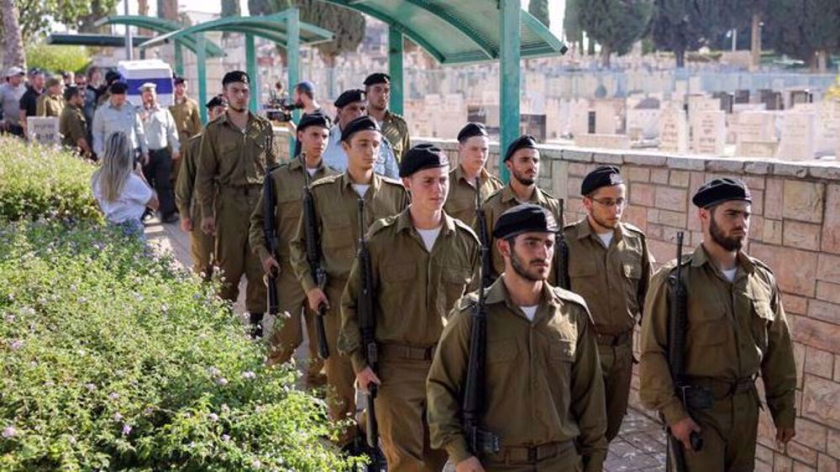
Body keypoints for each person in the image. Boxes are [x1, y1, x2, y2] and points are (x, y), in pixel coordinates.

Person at [427, 203, 608, 472]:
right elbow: (441, 388)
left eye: (548, 243)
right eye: (531, 243)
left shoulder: (572, 313)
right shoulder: (473, 315)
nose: (543, 253)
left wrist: (593, 462)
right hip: (497, 462)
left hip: (561, 462)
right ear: (504, 248)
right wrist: (461, 454)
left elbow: (589, 397)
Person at [639, 178, 797, 471]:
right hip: (699, 413)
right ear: (704, 216)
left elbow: (779, 352)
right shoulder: (675, 280)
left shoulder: (761, 279)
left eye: (746, 215)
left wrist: (784, 411)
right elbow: (652, 353)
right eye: (732, 214)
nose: (741, 223)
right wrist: (675, 416)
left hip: (745, 410)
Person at [340, 143, 478, 471]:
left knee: (435, 459)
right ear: (406, 183)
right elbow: (352, 304)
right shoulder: (381, 240)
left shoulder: (466, 242)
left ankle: (365, 425)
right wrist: (360, 364)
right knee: (404, 463)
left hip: (447, 369)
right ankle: (367, 427)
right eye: (427, 181)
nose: (438, 188)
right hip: (394, 369)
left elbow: (475, 314)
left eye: (443, 180)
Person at [289, 115, 407, 450]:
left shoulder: (397, 196)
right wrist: (311, 287)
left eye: (376, 144)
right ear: (345, 148)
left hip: (384, 300)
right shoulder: (321, 194)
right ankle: (343, 446)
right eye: (363, 144)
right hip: (337, 297)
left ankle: (370, 434)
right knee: (339, 379)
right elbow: (299, 245)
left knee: (385, 377)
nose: (371, 151)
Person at [563, 166, 653, 442]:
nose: (615, 209)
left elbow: (647, 300)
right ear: (587, 203)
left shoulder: (635, 242)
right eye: (607, 202)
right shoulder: (566, 243)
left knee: (610, 430)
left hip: (622, 353)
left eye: (620, 201)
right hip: (584, 351)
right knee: (580, 431)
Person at [249, 112, 337, 386]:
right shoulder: (278, 179)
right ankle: (271, 394)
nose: (319, 141)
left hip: (323, 272)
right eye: (314, 135)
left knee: (322, 343)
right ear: (300, 136)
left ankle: (316, 399)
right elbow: (257, 224)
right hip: (287, 271)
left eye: (324, 136)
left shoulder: (336, 180)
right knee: (284, 340)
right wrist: (265, 257)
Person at [195, 70, 278, 338]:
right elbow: (205, 174)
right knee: (228, 266)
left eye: (244, 90)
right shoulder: (214, 130)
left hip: (258, 202)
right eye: (235, 91)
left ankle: (255, 330)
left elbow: (273, 168)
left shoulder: (263, 127)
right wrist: (207, 213)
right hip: (228, 204)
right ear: (225, 94)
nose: (240, 96)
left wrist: (276, 208)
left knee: (257, 267)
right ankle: (221, 327)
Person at [481, 135, 562, 281]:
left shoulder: (552, 207)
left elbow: (561, 258)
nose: (531, 166)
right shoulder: (491, 208)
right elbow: (479, 260)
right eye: (524, 160)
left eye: (535, 160)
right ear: (509, 165)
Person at [175, 95, 227, 280]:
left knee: (228, 264)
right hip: (202, 211)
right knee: (203, 262)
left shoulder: (239, 145)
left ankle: (224, 305)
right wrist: (184, 214)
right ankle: (203, 303)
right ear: (210, 114)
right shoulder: (196, 145)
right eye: (219, 111)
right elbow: (184, 183)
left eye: (227, 112)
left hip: (230, 211)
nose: (223, 116)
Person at [91, 131, 159, 241]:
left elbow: (99, 205)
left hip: (109, 229)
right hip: (133, 231)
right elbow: (155, 204)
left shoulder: (96, 177)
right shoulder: (132, 181)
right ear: (128, 153)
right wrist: (141, 176)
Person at [322, 89, 399, 179]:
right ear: (339, 112)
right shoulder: (324, 142)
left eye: (362, 109)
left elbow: (394, 181)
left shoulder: (379, 143)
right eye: (353, 109)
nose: (359, 114)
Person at [443, 122, 503, 227]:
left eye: (484, 150)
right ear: (460, 149)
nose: (480, 155)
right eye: (474, 149)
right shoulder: (445, 184)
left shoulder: (496, 187)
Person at [138, 82, 180, 223]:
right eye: (146, 94)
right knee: (145, 184)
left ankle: (167, 213)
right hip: (145, 154)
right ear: (142, 97)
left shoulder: (164, 112)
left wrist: (175, 148)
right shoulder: (137, 113)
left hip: (161, 152)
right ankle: (146, 212)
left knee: (164, 184)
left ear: (156, 95)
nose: (149, 97)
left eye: (151, 94)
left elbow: (172, 132)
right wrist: (142, 119)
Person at [92, 82, 148, 167]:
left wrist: (145, 151)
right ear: (112, 95)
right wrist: (100, 154)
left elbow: (139, 130)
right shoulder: (101, 112)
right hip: (112, 153)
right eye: (119, 99)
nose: (121, 101)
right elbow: (97, 134)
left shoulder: (131, 108)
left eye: (123, 98)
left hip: (131, 152)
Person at [364, 73, 410, 161]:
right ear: (367, 94)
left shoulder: (399, 125)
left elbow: (406, 160)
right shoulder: (358, 123)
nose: (383, 95)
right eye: (377, 90)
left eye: (386, 90)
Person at [169, 76, 202, 183]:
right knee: (171, 171)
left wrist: (197, 142)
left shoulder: (192, 104)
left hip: (186, 140)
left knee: (183, 171)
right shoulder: (169, 103)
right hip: (170, 141)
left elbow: (197, 124)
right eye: (178, 86)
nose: (181, 88)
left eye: (184, 86)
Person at [59, 86, 92, 157]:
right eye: (82, 96)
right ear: (74, 97)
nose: (85, 99)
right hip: (73, 152)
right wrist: (89, 151)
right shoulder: (72, 114)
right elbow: (79, 138)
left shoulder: (75, 111)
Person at [0, 66, 27, 137]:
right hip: (8, 125)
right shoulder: (2, 89)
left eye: (21, 76)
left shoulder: (23, 89)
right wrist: (1, 119)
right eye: (17, 76)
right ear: (10, 77)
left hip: (22, 124)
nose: (20, 78)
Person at [19, 68, 45, 135]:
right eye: (39, 79)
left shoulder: (46, 93)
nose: (42, 81)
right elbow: (22, 114)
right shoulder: (27, 95)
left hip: (46, 127)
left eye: (43, 79)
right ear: (34, 80)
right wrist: (25, 129)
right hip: (32, 127)